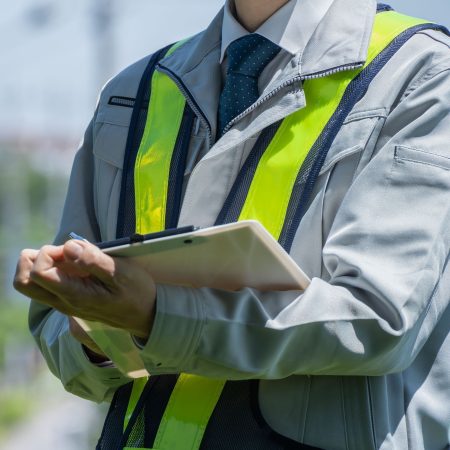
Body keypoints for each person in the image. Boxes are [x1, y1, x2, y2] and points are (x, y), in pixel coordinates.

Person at [13, 0, 450, 448]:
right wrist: (97, 335)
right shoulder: (133, 92)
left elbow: (374, 321)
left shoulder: (425, 73)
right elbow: (60, 341)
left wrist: (157, 317)